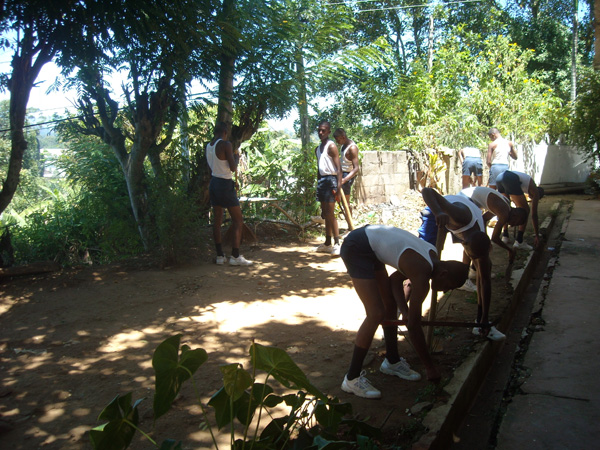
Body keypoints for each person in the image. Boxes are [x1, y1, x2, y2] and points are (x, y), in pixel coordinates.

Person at [339, 225, 469, 398]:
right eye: (449, 286)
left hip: (371, 244)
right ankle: (351, 378)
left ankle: (392, 361)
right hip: (357, 246)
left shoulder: (432, 255)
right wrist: (429, 367)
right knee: (376, 313)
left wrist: (404, 310)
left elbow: (394, 280)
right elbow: (413, 326)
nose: (445, 291)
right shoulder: (422, 274)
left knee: (389, 306)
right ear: (443, 274)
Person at [421, 187, 505, 341]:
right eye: (473, 257)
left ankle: (479, 322)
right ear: (464, 245)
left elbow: (484, 280)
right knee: (424, 263)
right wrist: (438, 212)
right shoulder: (458, 215)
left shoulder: (480, 240)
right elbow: (427, 191)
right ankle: (406, 311)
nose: (475, 261)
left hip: (463, 223)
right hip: (437, 212)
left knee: (483, 271)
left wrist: (484, 319)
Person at [206, 122, 253, 266]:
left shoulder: (209, 146)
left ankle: (220, 256)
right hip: (225, 185)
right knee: (238, 220)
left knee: (217, 220)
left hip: (214, 183)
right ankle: (235, 256)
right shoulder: (226, 144)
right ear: (225, 132)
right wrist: (236, 157)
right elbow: (233, 168)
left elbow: (213, 166)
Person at [459, 186, 528, 262]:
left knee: (477, 241)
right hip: (464, 199)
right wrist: (509, 250)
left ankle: (472, 265)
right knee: (472, 240)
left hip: (464, 196)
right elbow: (495, 238)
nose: (511, 225)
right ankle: (469, 265)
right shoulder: (504, 214)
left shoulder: (505, 204)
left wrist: (486, 239)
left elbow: (484, 219)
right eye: (515, 223)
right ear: (516, 215)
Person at [494, 170, 545, 250]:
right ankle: (519, 241)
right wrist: (537, 235)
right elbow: (534, 214)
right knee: (525, 210)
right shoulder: (536, 191)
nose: (531, 198)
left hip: (499, 178)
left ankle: (505, 236)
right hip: (509, 178)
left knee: (506, 208)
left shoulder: (527, 185)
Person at [314, 121, 343, 256]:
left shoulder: (331, 147)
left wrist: (338, 188)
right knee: (325, 213)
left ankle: (337, 243)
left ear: (329, 132)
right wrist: (318, 183)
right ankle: (327, 243)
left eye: (323, 130)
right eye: (319, 130)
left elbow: (339, 170)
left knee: (330, 213)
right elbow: (319, 169)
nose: (321, 133)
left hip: (331, 180)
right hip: (322, 181)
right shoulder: (318, 149)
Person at [333, 128, 360, 217]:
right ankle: (347, 218)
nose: (337, 142)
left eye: (338, 140)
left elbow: (356, 168)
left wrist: (344, 180)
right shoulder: (343, 145)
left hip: (347, 175)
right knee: (340, 199)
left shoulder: (352, 148)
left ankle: (350, 222)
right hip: (342, 174)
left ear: (343, 137)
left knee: (346, 202)